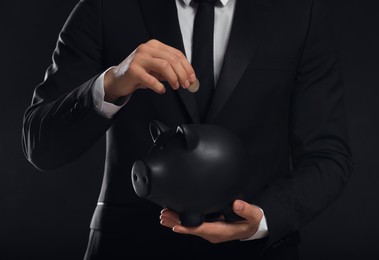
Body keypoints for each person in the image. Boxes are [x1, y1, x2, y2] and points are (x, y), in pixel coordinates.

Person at [22, 0, 353, 259]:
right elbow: (40, 145)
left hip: (257, 252)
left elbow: (328, 156)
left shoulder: (300, 11)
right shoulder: (107, 6)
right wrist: (111, 83)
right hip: (128, 248)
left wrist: (264, 218)